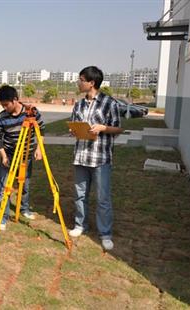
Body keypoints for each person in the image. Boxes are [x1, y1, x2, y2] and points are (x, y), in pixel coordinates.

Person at [69, 66, 123, 251]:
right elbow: (75, 124)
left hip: (100, 158)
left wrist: (103, 128)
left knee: (103, 198)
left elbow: (118, 128)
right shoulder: (79, 104)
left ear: (91, 83)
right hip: (81, 157)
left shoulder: (110, 103)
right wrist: (74, 130)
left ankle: (105, 233)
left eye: (81, 79)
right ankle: (80, 225)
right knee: (80, 194)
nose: (78, 82)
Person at [0, 85, 45, 231]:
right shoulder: (1, 117)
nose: (4, 107)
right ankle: (3, 217)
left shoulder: (32, 112)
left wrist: (39, 149)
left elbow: (41, 129)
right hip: (9, 156)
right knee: (4, 187)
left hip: (26, 156)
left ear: (15, 100)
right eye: (2, 105)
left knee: (24, 185)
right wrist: (3, 156)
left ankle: (24, 209)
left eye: (6, 104)